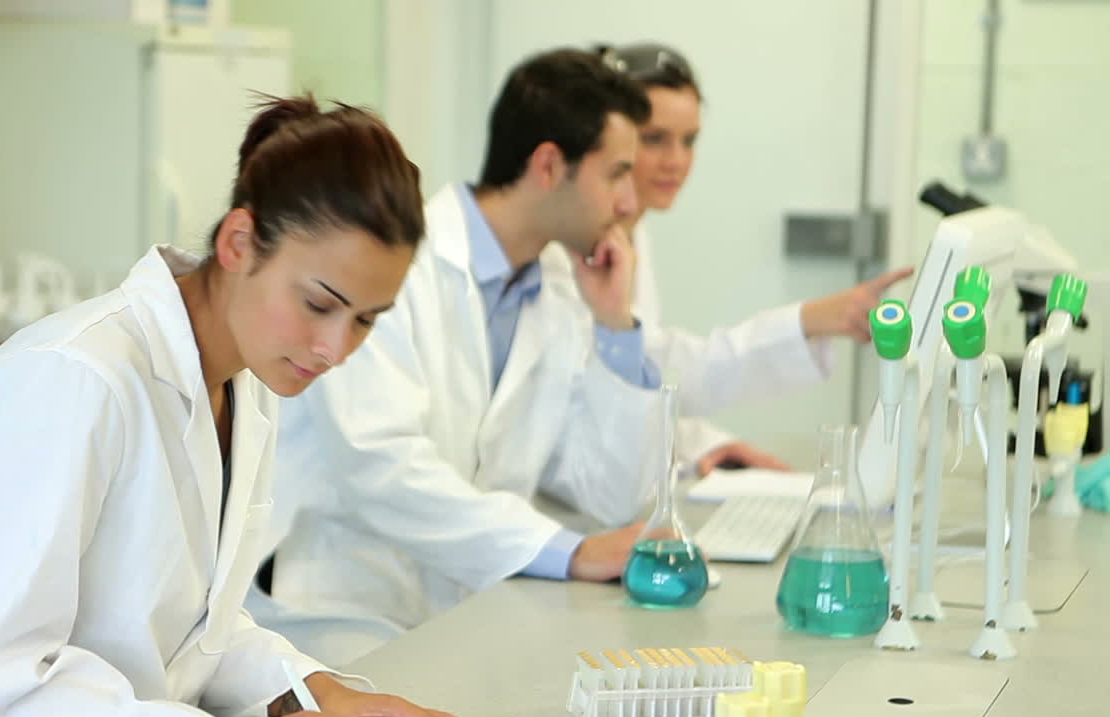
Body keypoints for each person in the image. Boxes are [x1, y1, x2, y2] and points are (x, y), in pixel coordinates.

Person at [0, 97, 455, 717]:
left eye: (366, 321)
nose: (336, 349)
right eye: (320, 304)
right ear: (239, 241)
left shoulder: (246, 384)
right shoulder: (72, 381)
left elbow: (196, 633)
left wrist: (325, 695)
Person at [244, 49, 666, 666]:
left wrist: (616, 326)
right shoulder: (393, 261)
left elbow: (612, 496)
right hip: (338, 612)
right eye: (617, 174)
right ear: (550, 164)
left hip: (470, 612)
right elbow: (379, 464)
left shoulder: (560, 285)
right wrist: (567, 552)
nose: (630, 202)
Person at [596, 42, 914, 474]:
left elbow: (645, 380)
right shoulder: (576, 249)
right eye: (655, 139)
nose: (677, 161)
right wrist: (809, 319)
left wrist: (706, 447)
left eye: (689, 141)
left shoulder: (633, 233)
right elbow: (624, 380)